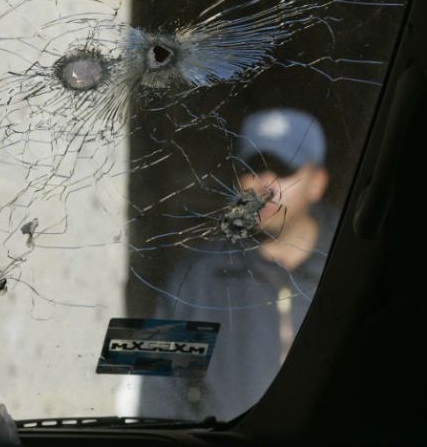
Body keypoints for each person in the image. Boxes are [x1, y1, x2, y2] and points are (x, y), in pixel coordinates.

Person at [137, 108, 340, 421]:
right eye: (253, 169)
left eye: (283, 169)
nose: (266, 185)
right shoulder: (195, 275)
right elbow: (153, 396)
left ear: (317, 182)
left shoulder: (354, 269)